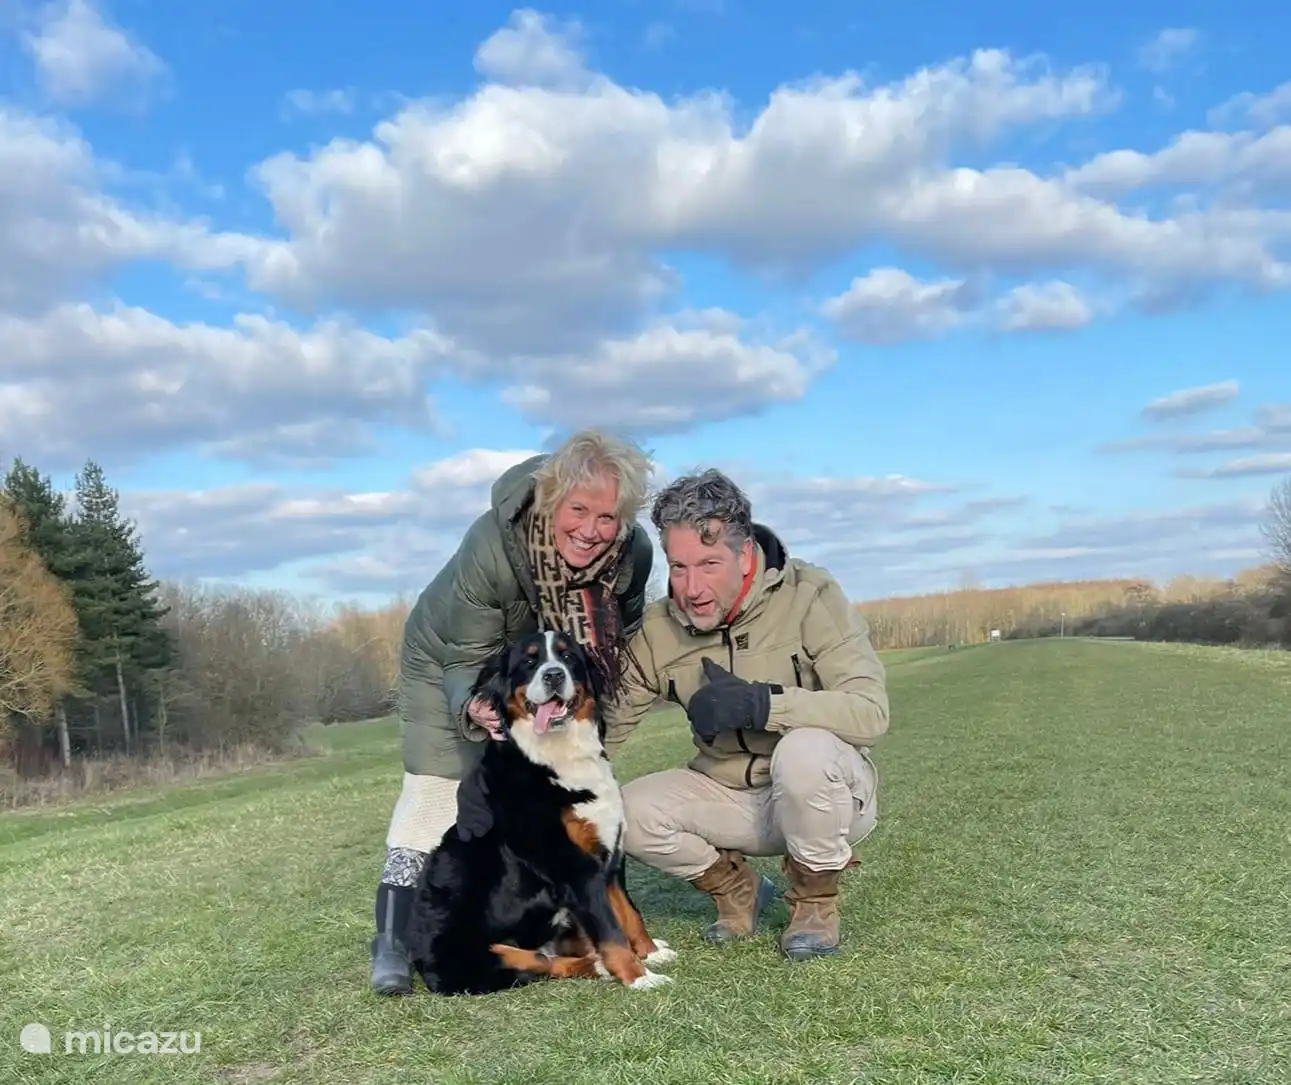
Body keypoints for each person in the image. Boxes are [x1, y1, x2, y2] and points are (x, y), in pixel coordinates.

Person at [369, 429, 656, 995]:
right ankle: (394, 942)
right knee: (436, 792)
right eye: (579, 510)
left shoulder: (633, 555)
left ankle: (565, 920)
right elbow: (466, 658)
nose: (592, 530)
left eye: (608, 518)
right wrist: (475, 707)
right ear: (552, 501)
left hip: (555, 673)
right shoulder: (492, 546)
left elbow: (625, 631)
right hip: (451, 661)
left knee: (574, 804)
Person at [597, 468, 889, 962]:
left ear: (746, 552)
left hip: (826, 795)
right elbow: (606, 732)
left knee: (805, 751)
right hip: (730, 799)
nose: (691, 587)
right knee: (624, 812)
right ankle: (739, 890)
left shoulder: (811, 595)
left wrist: (764, 704)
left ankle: (815, 903)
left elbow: (870, 713)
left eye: (709, 564)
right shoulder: (657, 629)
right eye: (679, 566)